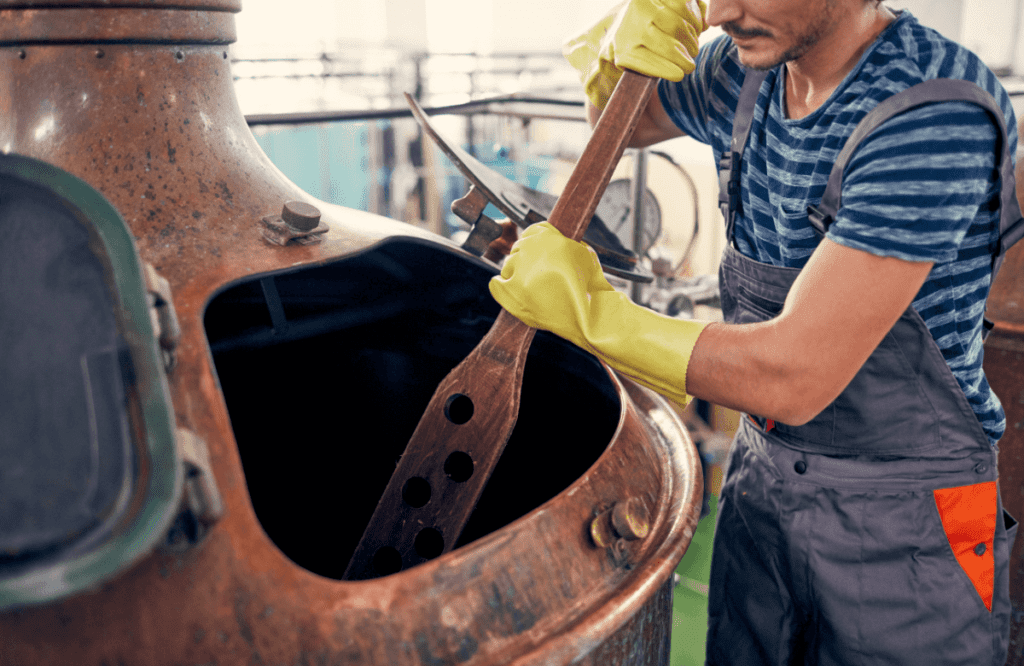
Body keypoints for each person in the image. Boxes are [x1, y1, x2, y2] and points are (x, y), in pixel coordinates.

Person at [488, 0, 1024, 663]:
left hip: (906, 516)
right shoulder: (744, 68)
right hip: (763, 485)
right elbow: (623, 125)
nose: (721, 12)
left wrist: (597, 318)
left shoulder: (933, 111)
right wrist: (611, 68)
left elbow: (796, 375)